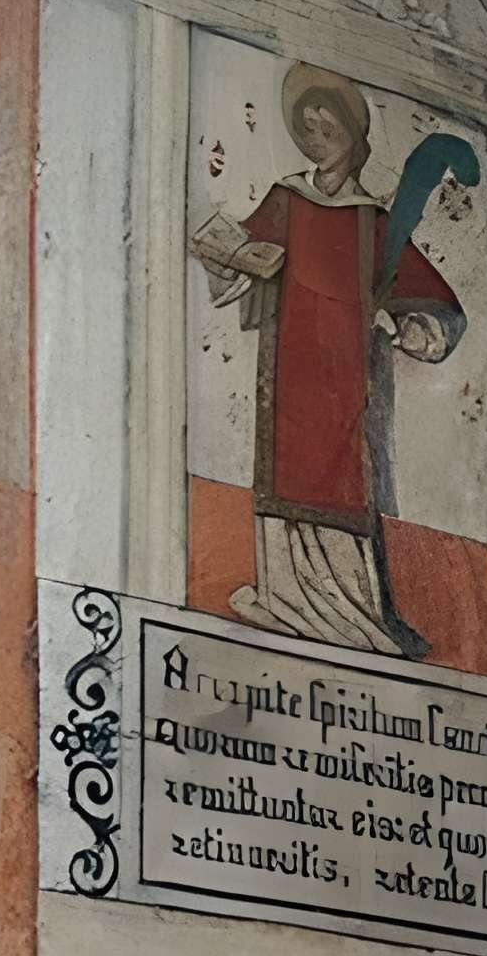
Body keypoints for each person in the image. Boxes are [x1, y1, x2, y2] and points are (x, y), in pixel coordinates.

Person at [190, 61, 468, 657]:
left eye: (329, 129)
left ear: (354, 135)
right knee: (286, 470)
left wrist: (420, 325)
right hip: (289, 360)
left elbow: (427, 293)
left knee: (346, 476)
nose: (319, 140)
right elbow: (242, 243)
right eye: (308, 130)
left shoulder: (374, 217)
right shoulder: (287, 198)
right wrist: (228, 249)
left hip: (349, 368)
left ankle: (355, 611)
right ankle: (286, 598)